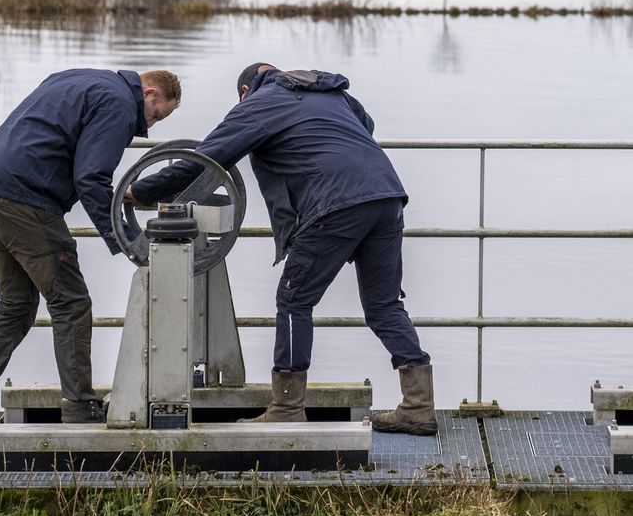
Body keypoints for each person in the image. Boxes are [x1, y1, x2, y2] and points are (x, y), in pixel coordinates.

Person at [128, 63, 436, 436]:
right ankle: (418, 407)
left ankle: (288, 407)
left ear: (245, 92)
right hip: (386, 196)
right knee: (384, 305)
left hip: (334, 205)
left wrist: (140, 192)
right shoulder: (329, 92)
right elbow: (365, 125)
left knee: (294, 302)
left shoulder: (259, 104)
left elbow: (206, 158)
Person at [0, 68, 182, 450]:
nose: (148, 126)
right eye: (156, 114)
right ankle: (80, 405)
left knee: (17, 304)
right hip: (24, 201)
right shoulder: (120, 103)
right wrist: (125, 239)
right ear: (149, 91)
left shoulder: (77, 78)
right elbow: (91, 178)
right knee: (71, 302)